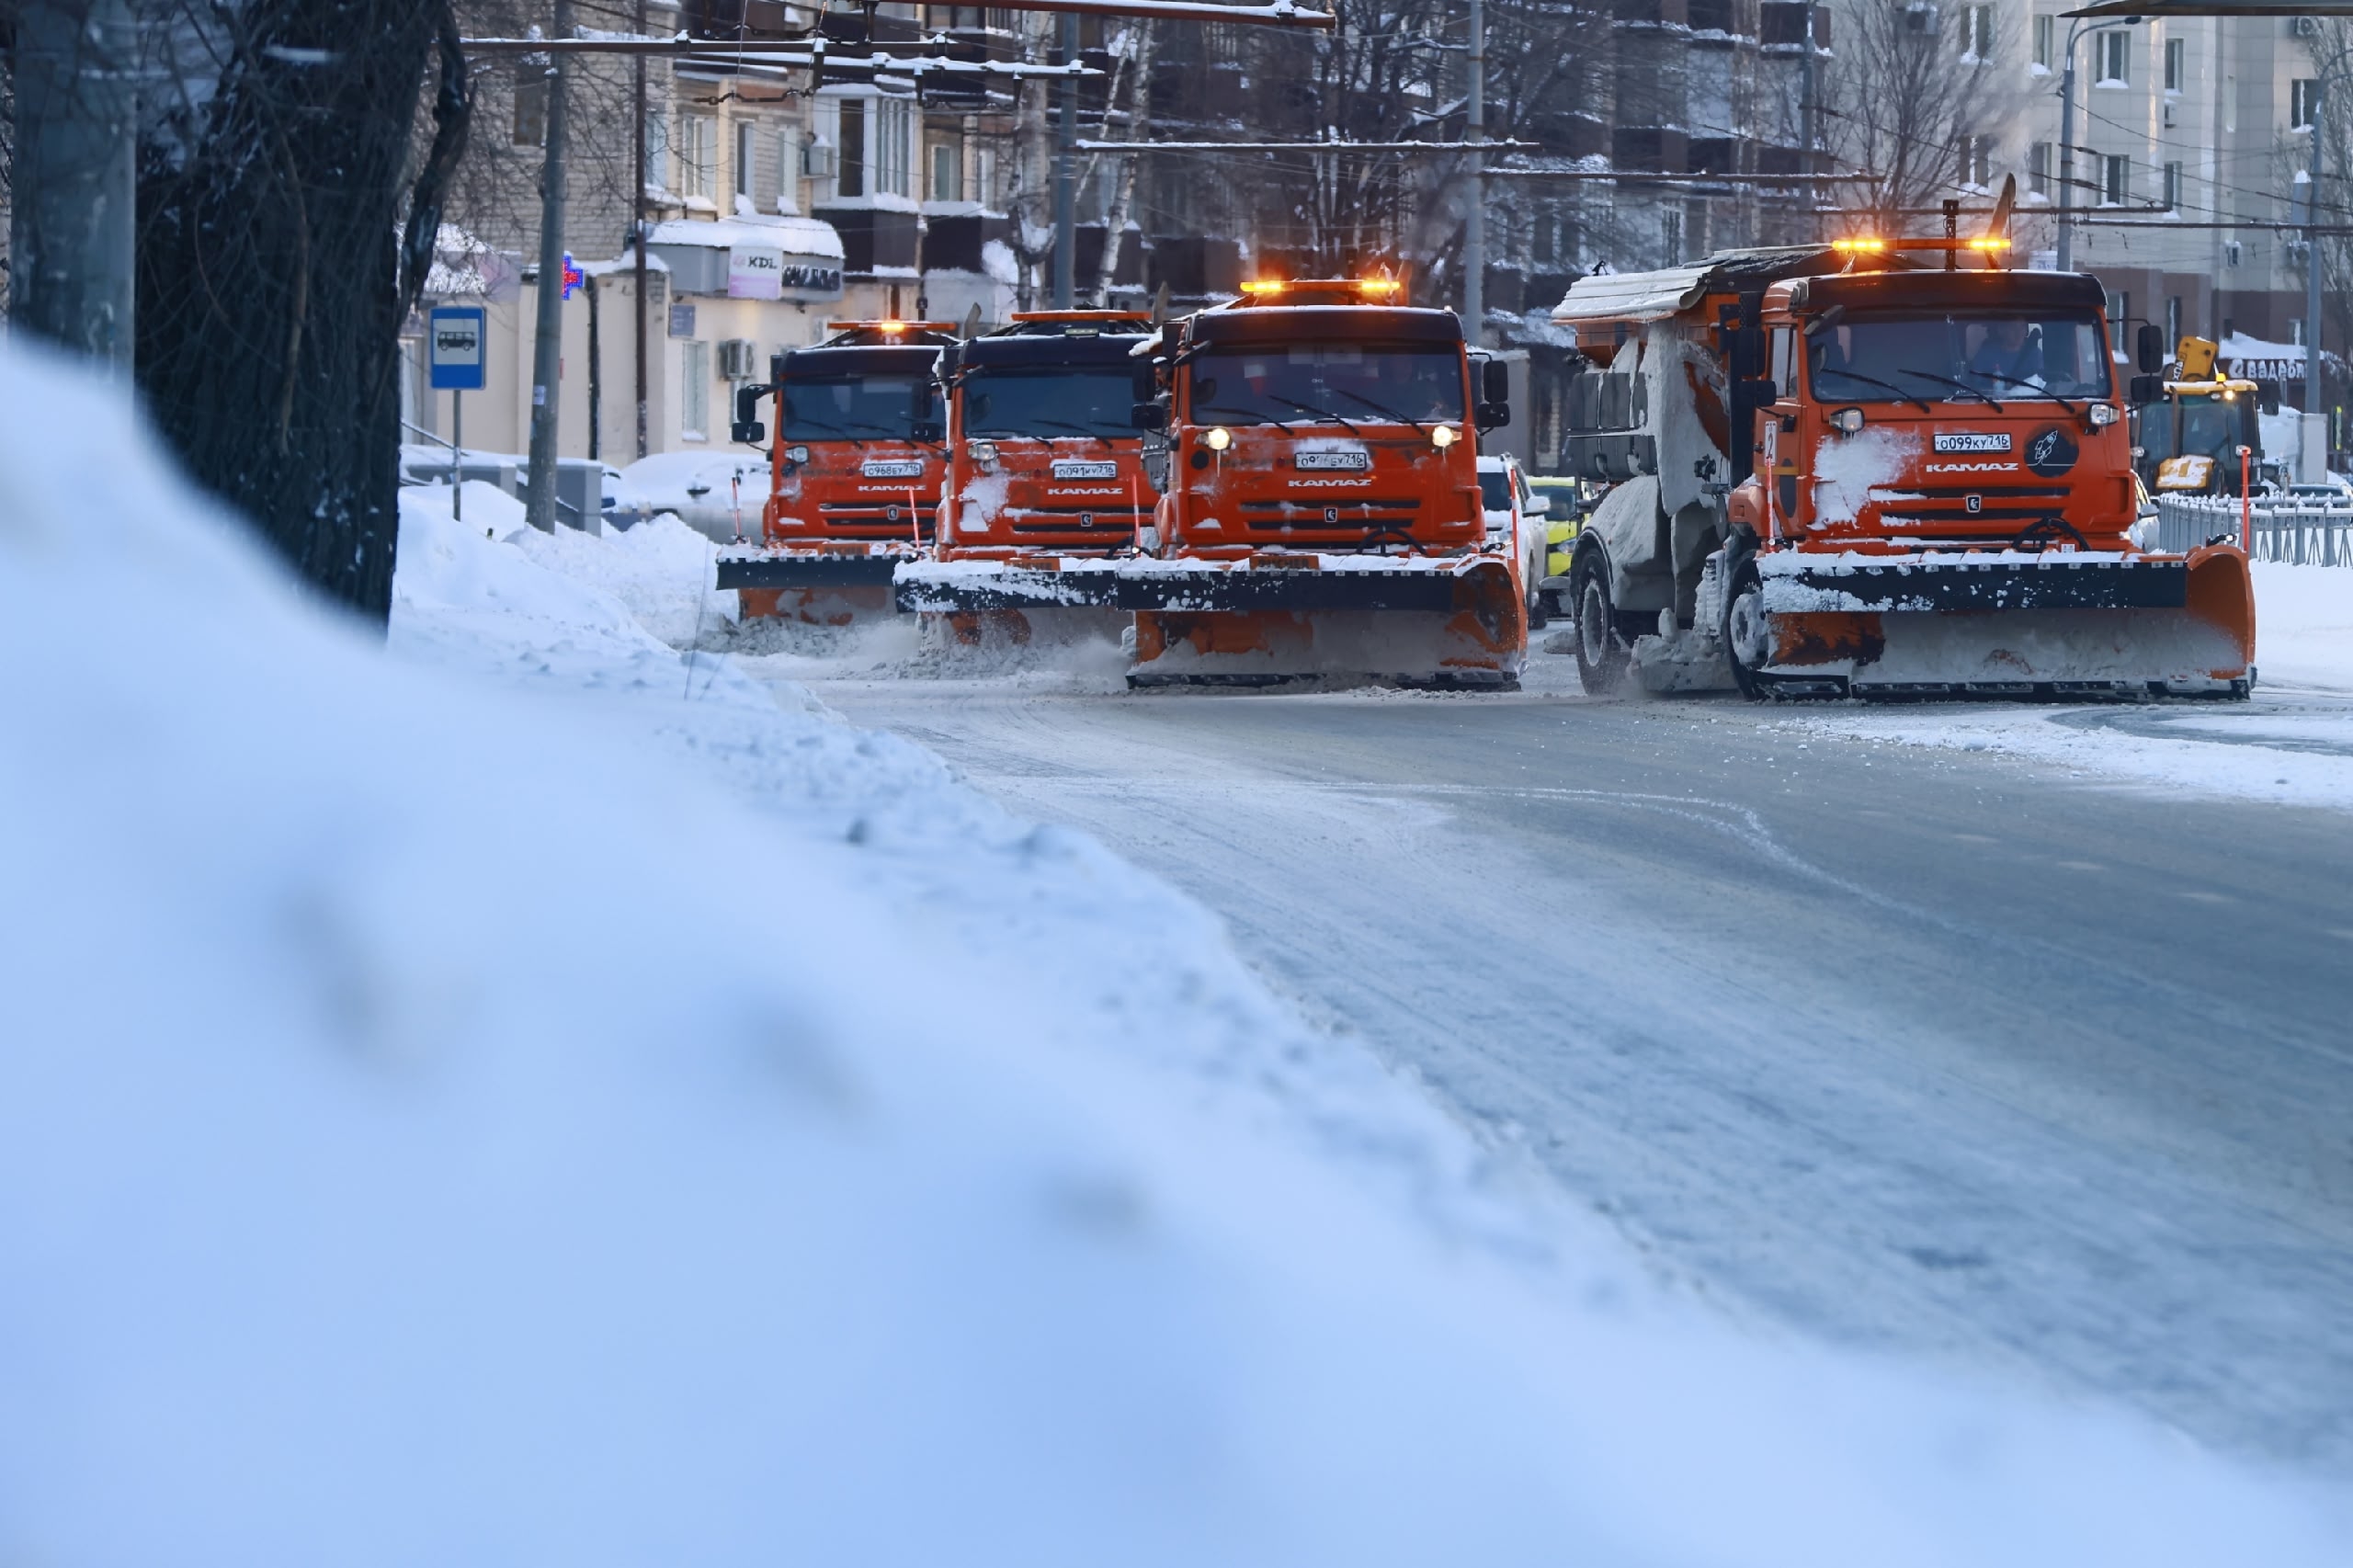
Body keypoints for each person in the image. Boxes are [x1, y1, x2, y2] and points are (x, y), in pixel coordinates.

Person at [1968, 318, 2043, 385]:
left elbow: (2039, 382)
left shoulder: (2034, 354)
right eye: (2013, 328)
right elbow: (1976, 383)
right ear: (2001, 330)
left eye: (2022, 327)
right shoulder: (1985, 354)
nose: (2019, 333)